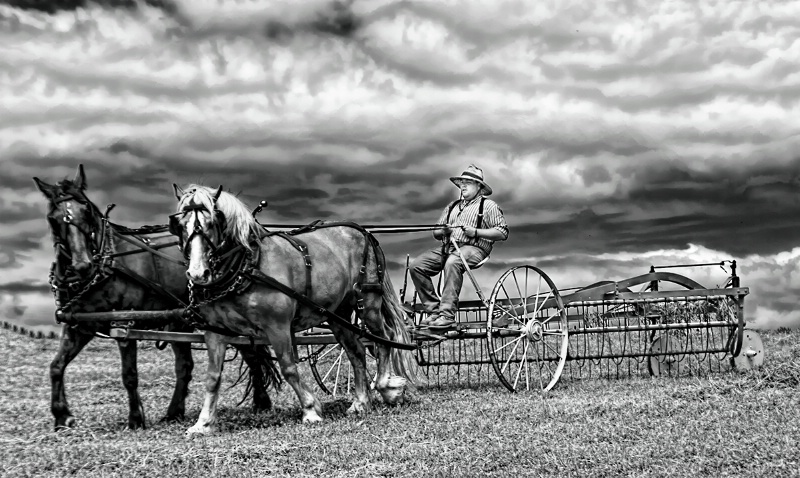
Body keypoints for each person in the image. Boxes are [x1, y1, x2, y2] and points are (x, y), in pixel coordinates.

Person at [410, 164, 509, 329]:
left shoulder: (488, 206)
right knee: (416, 266)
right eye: (462, 182)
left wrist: (476, 232)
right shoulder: (452, 206)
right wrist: (444, 230)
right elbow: (436, 233)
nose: (463, 185)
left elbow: (502, 232)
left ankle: (447, 315)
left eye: (468, 182)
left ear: (479, 186)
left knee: (453, 262)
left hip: (475, 248)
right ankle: (434, 311)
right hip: (448, 248)